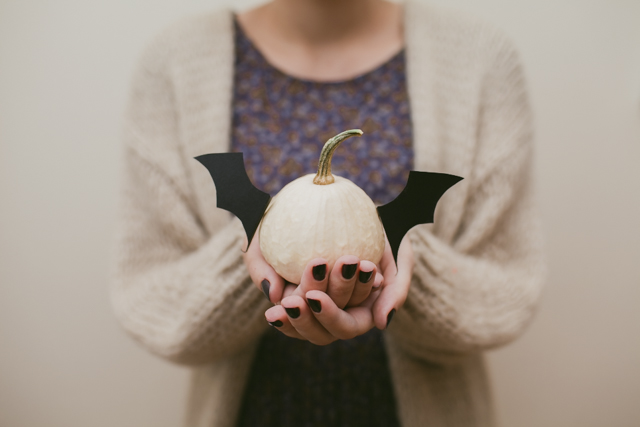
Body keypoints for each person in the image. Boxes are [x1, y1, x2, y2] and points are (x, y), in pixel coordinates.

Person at [111, 0, 545, 426]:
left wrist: (411, 275)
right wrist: (253, 263)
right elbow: (150, 301)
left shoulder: (479, 59)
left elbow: (508, 292)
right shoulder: (175, 62)